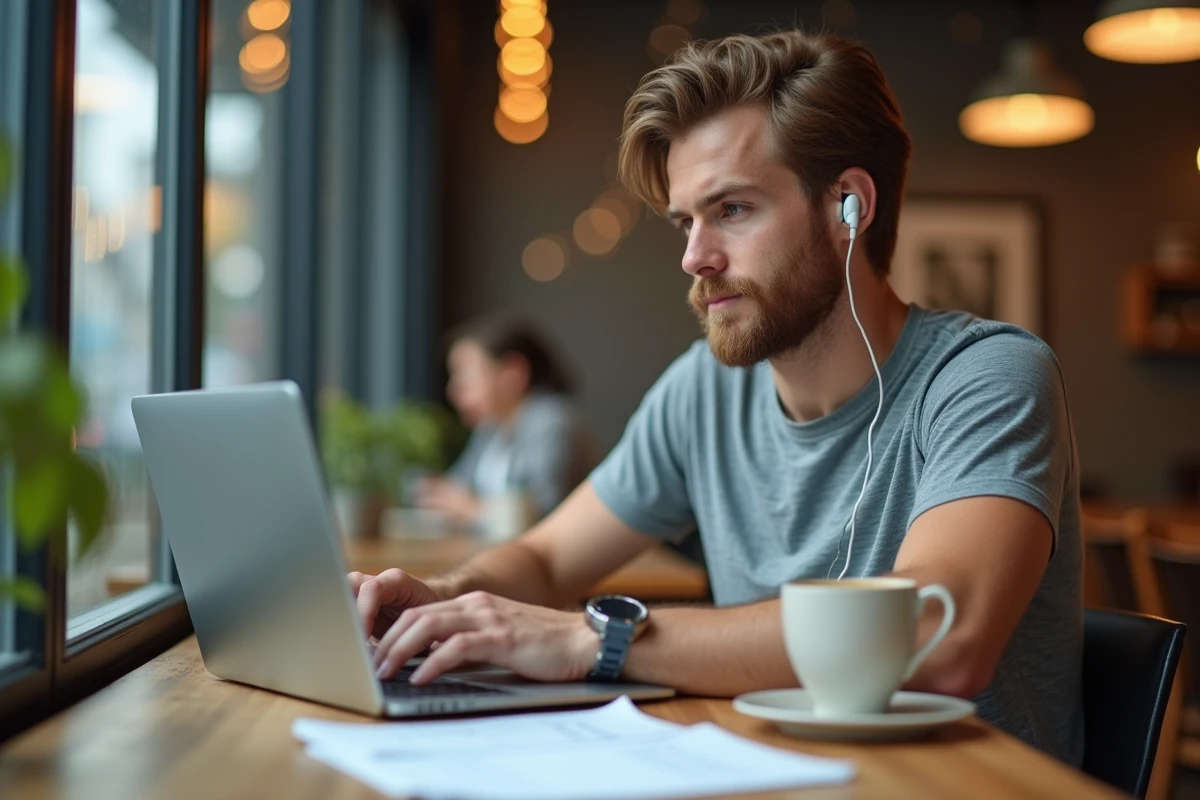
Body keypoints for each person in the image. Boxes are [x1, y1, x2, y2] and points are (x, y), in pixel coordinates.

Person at [350, 30, 1083, 763]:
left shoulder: (986, 376)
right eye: (686, 221)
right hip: (767, 773)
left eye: (732, 210)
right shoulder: (703, 390)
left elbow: (938, 634)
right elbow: (544, 562)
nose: (694, 258)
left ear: (848, 208)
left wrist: (594, 638)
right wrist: (441, 600)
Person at [413, 316, 597, 529]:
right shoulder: (491, 429)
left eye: (465, 376)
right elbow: (458, 485)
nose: (453, 392)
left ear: (513, 374)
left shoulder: (553, 425)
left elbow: (543, 514)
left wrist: (471, 509)